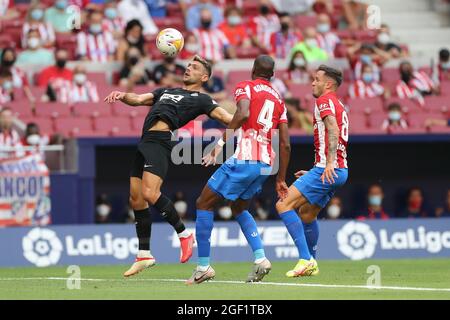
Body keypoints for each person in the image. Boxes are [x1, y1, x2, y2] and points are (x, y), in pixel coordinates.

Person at [104, 55, 232, 277]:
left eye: (194, 67)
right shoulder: (165, 91)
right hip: (145, 141)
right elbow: (138, 99)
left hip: (160, 142)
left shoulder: (202, 99)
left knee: (150, 192)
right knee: (136, 198)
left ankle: (184, 235)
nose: (188, 68)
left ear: (204, 77)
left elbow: (228, 119)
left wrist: (244, 124)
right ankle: (144, 254)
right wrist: (123, 95)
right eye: (188, 65)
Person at [187, 55, 290, 284]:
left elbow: (242, 113)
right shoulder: (279, 101)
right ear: (271, 75)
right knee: (238, 207)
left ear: (253, 70)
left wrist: (218, 146)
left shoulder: (245, 87)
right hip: (265, 164)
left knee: (203, 203)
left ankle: (203, 266)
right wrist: (280, 178)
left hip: (244, 158)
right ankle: (261, 258)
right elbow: (285, 144)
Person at [275, 65, 348, 277]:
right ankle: (312, 260)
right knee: (306, 213)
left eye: (316, 79)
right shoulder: (339, 104)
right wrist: (320, 167)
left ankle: (306, 259)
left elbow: (333, 129)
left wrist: (328, 163)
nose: (312, 83)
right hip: (339, 171)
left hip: (330, 167)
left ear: (328, 84)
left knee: (283, 203)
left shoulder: (324, 100)